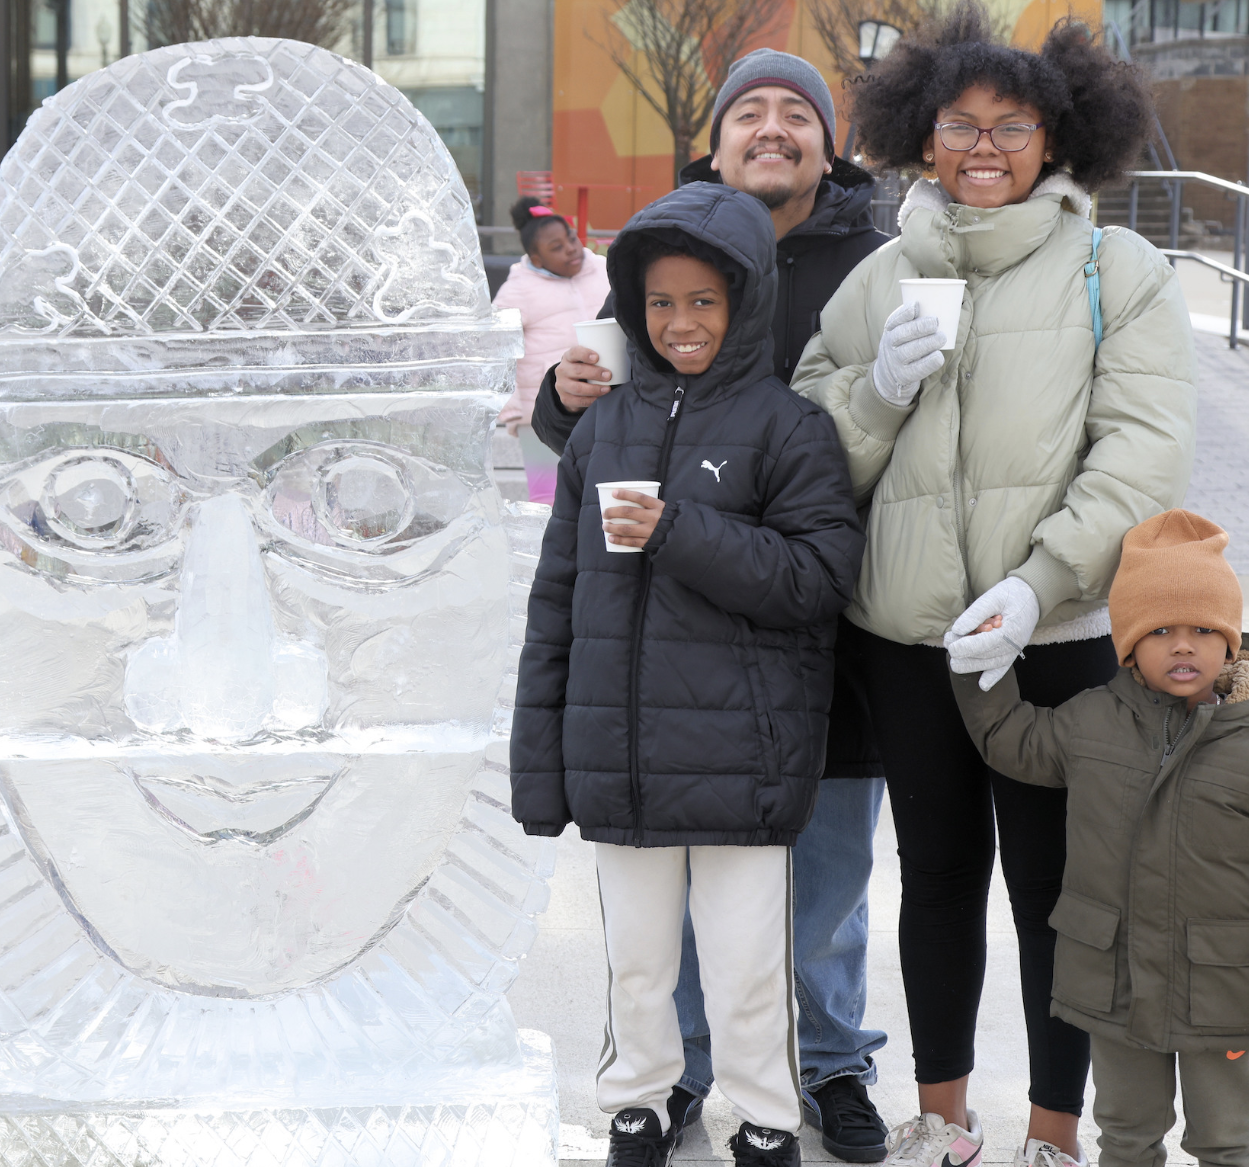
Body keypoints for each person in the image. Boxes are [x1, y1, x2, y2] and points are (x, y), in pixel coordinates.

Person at [791, 3, 1198, 1164]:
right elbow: (815, 448)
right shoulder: (879, 276)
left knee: (1059, 886)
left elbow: (1142, 450)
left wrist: (1038, 584)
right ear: (921, 135)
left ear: (1058, 138)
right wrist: (874, 388)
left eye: (1011, 125)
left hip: (1057, 635)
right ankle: (944, 1114)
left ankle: (1057, 1129)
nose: (982, 145)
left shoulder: (1115, 268)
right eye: (959, 124)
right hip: (908, 633)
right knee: (936, 876)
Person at [529, 48, 895, 1163]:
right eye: (752, 112)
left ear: (831, 143)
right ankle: (674, 1076)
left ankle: (826, 1069)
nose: (773, 127)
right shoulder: (665, 244)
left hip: (829, 632)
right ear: (718, 140)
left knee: (818, 886)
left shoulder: (874, 261)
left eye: (799, 112)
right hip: (664, 658)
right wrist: (563, 397)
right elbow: (599, 446)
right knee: (666, 911)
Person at [949, 509, 1249, 1166]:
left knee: (1226, 1134)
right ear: (1128, 644)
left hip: (1225, 986)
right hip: (1117, 983)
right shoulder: (1093, 723)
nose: (1182, 645)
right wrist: (977, 661)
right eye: (1160, 630)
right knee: (1125, 1131)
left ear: (1230, 644)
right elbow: (1011, 740)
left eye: (1201, 631)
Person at [493, 197, 610, 503]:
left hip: (605, 406)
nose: (571, 249)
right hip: (540, 416)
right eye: (556, 247)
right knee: (548, 498)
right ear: (536, 258)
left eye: (571, 238)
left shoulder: (604, 269)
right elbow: (497, 351)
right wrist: (514, 413)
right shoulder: (517, 290)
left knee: (600, 490)